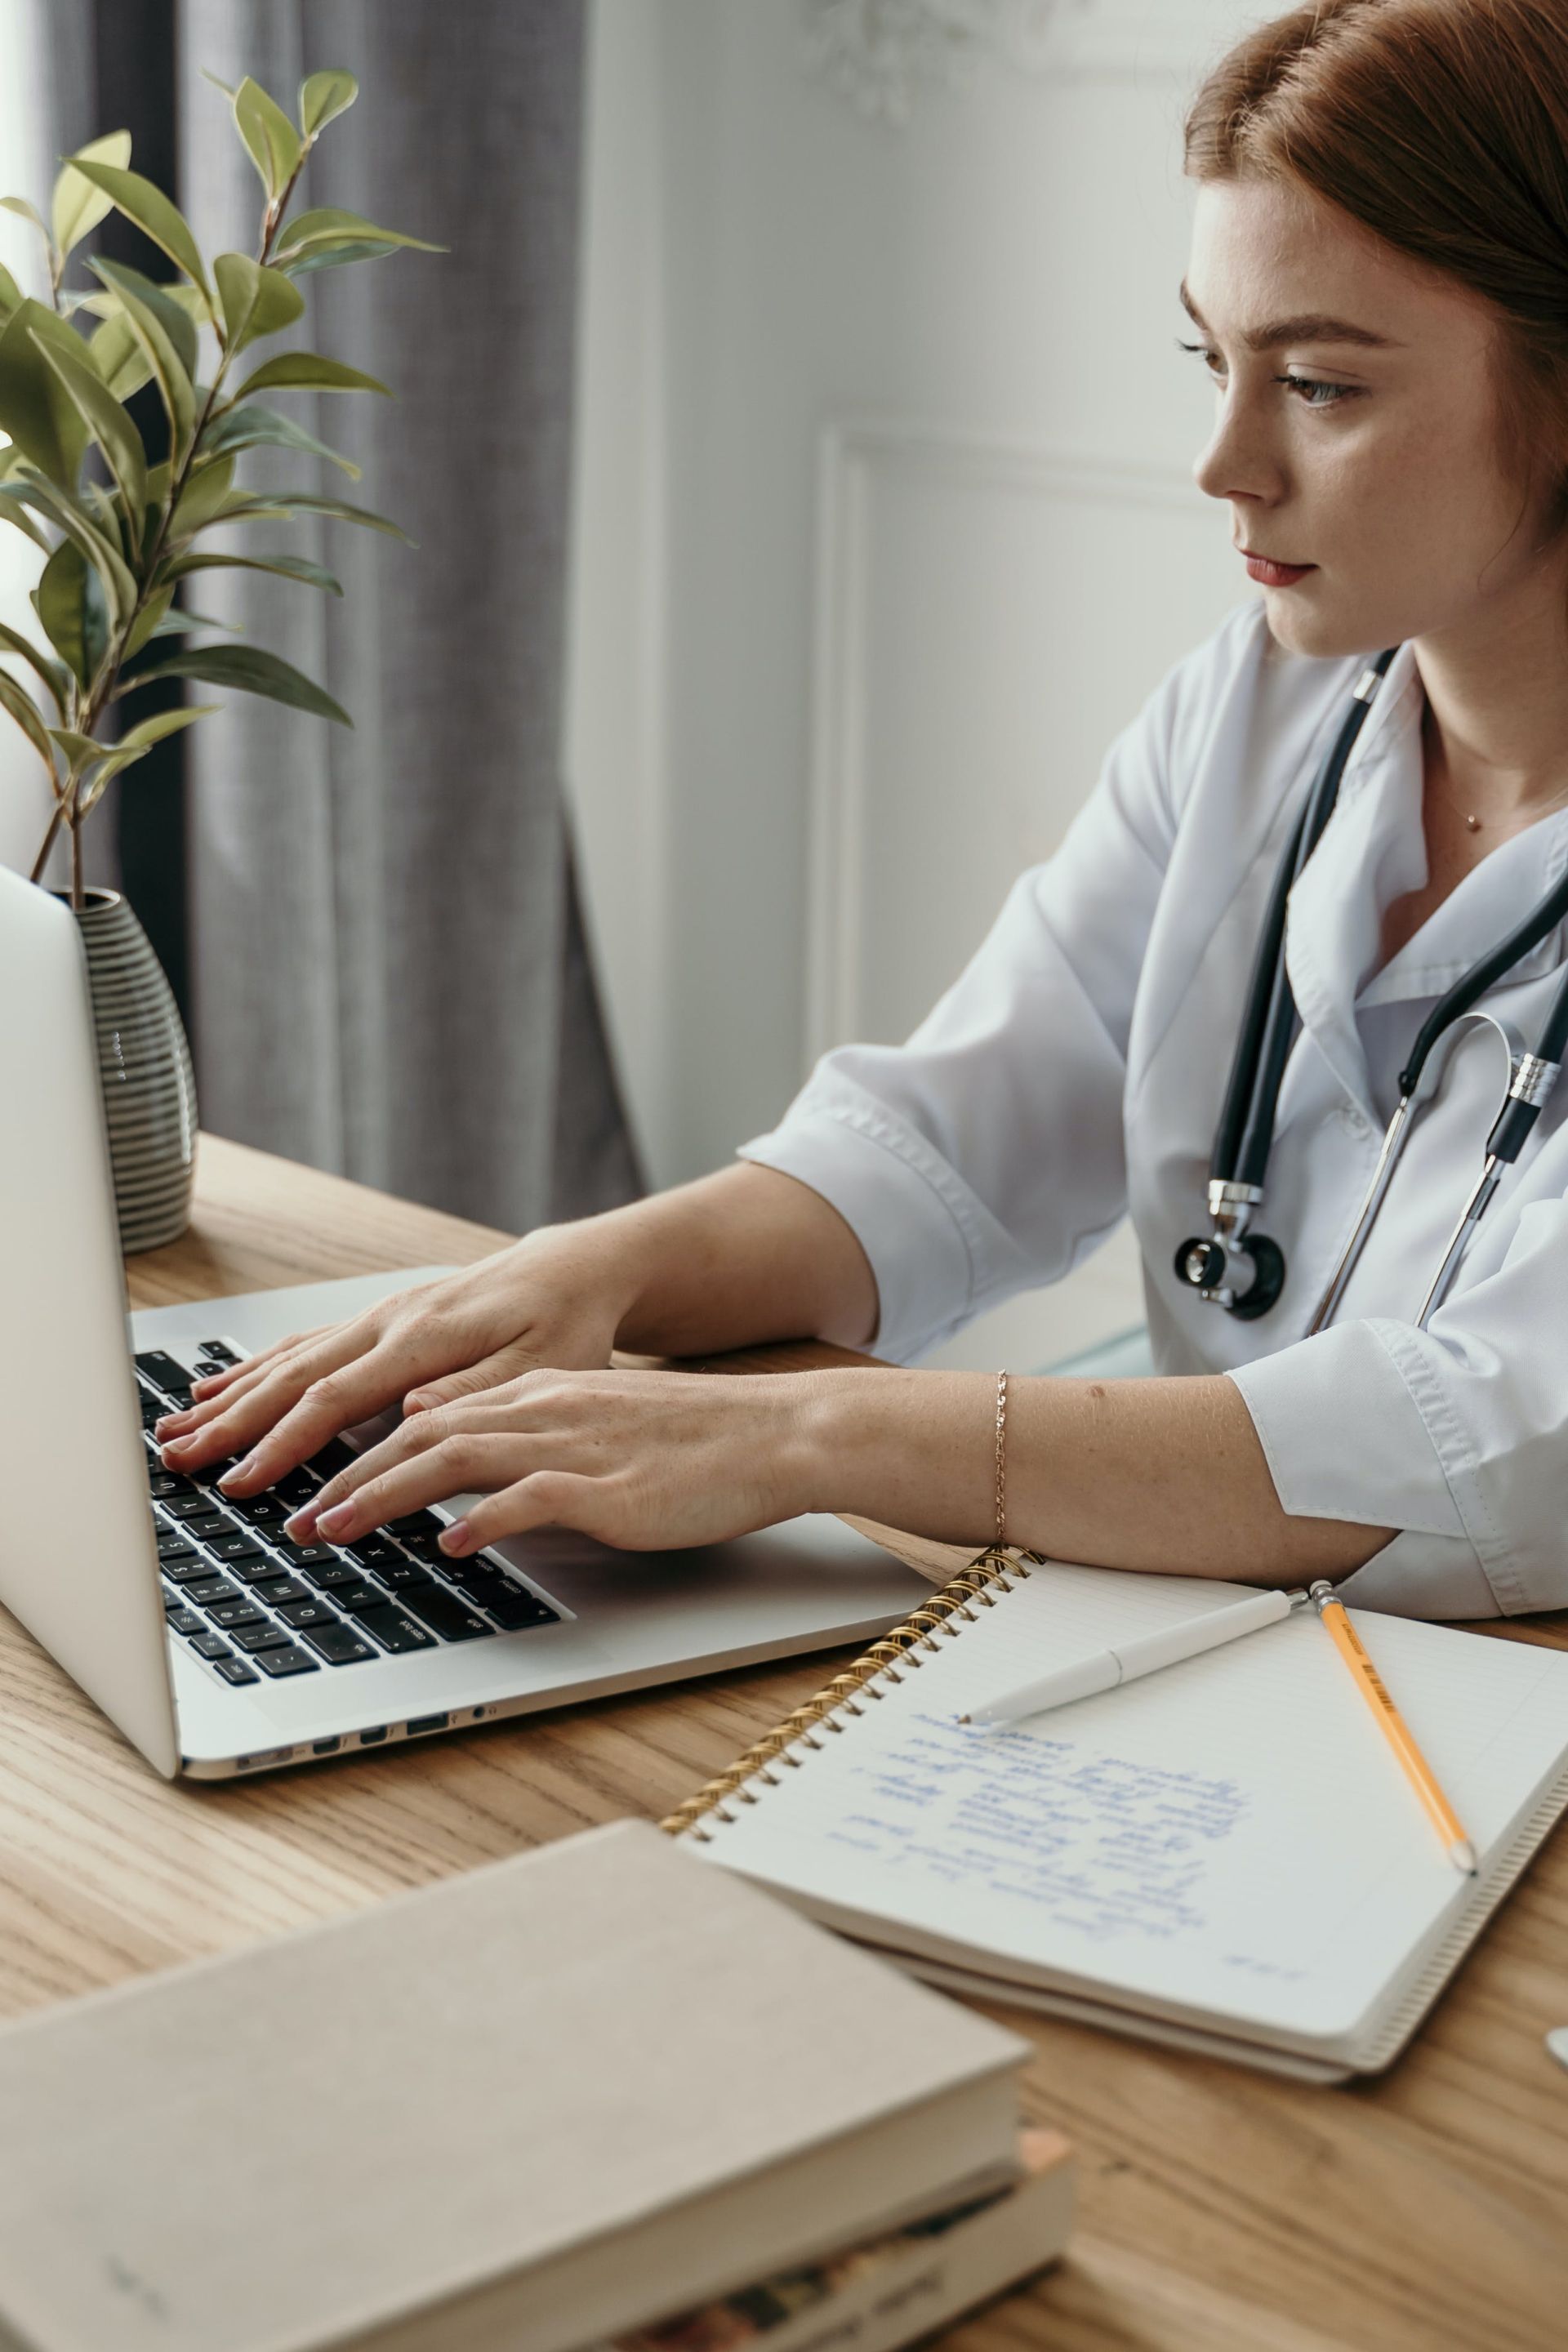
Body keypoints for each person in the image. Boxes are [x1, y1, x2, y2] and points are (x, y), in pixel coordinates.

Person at [159, 0, 1568, 1620]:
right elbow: (952, 1136)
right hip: (1208, 1642)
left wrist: (812, 1430)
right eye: (1212, 360)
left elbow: (1509, 1434)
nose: (1223, 461)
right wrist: (584, 1273)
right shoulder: (1255, 714)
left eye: (1318, 385)